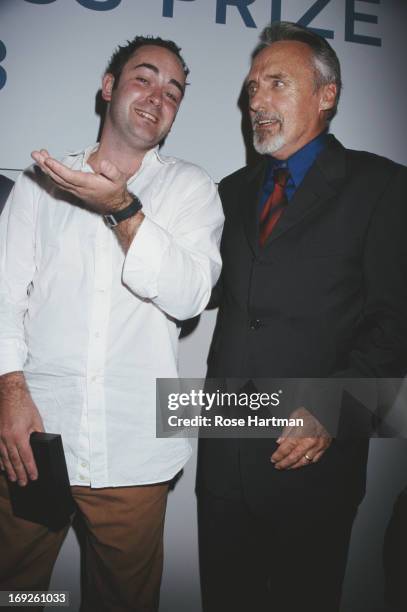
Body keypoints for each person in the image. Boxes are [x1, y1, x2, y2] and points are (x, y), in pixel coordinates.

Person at [0, 36, 223, 611]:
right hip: (33, 441)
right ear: (108, 87)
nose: (158, 96)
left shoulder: (191, 188)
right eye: (144, 78)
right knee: (18, 593)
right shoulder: (38, 182)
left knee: (123, 601)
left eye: (174, 91)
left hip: (135, 453)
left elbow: (191, 295)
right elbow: (4, 297)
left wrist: (122, 208)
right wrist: (9, 392)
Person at [197, 21, 407, 612]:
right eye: (252, 87)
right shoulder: (228, 192)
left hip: (314, 462)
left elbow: (397, 324)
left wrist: (335, 412)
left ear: (327, 94)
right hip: (224, 459)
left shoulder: (384, 187)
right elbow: (196, 293)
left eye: (276, 84)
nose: (256, 101)